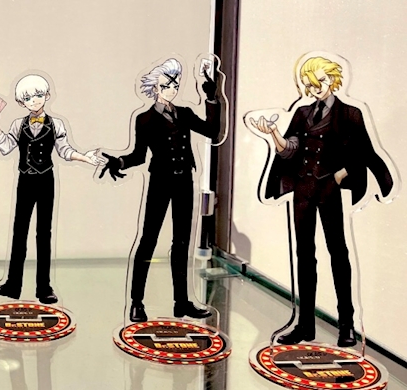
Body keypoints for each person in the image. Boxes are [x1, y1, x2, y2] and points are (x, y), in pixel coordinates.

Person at [250, 56, 393, 347]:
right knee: (304, 255)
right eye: (310, 83)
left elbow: (364, 151)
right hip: (303, 190)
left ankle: (346, 326)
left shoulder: (349, 113)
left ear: (333, 79)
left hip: (329, 190)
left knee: (338, 253)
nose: (315, 87)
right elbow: (289, 149)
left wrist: (353, 175)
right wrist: (273, 134)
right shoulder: (302, 112)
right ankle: (305, 325)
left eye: (320, 81)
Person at [99, 58, 221, 322]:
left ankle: (182, 302)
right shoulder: (144, 119)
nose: (171, 89)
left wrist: (211, 97)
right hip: (160, 181)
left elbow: (212, 131)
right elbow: (139, 155)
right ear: (155, 88)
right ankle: (136, 302)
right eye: (166, 85)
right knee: (148, 240)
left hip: (184, 181)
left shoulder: (185, 113)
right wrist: (120, 162)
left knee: (182, 242)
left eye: (175, 84)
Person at [0, 74, 100, 304]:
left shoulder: (56, 124)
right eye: (29, 98)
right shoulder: (18, 124)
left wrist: (84, 157)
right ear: (21, 102)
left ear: (47, 95)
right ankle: (12, 285)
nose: (35, 100)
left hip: (46, 180)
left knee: (44, 234)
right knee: (19, 232)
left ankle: (44, 287)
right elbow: (6, 147)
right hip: (25, 180)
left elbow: (65, 150)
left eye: (38, 95)